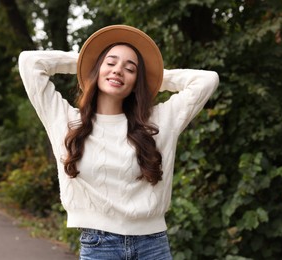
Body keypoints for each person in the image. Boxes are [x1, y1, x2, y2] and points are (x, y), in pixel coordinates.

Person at [18, 24, 219, 260]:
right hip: (99, 245)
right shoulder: (67, 121)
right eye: (110, 63)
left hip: (152, 245)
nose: (118, 71)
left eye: (130, 69)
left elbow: (207, 79)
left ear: (137, 80)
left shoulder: (157, 122)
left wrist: (152, 78)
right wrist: (85, 62)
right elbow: (29, 62)